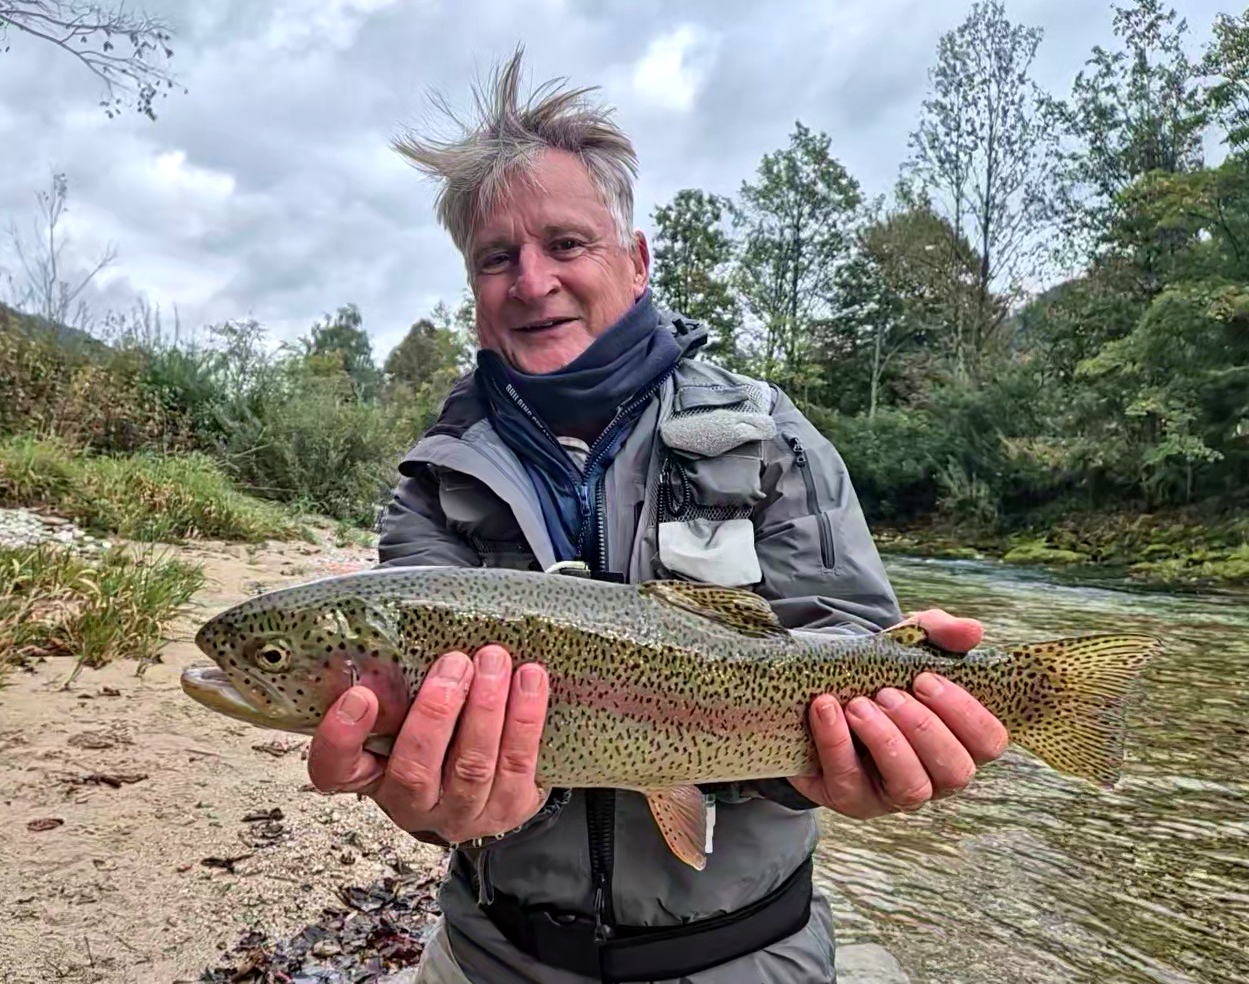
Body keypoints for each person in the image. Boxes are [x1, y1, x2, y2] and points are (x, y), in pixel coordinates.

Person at [306, 50, 1008, 984]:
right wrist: (431, 805)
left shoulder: (769, 436)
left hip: (749, 955)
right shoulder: (435, 483)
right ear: (472, 290)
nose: (532, 281)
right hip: (493, 953)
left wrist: (868, 758)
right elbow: (417, 756)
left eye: (566, 244)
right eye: (496, 258)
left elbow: (846, 635)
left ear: (635, 263)